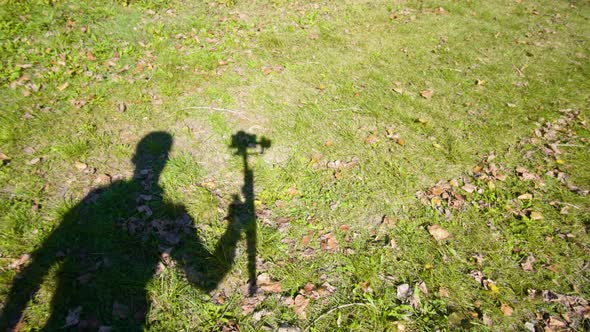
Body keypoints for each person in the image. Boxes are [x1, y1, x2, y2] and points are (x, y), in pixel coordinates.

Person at [0, 132, 248, 331]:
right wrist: (234, 230)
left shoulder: (95, 200)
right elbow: (207, 282)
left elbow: (43, 259)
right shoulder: (108, 202)